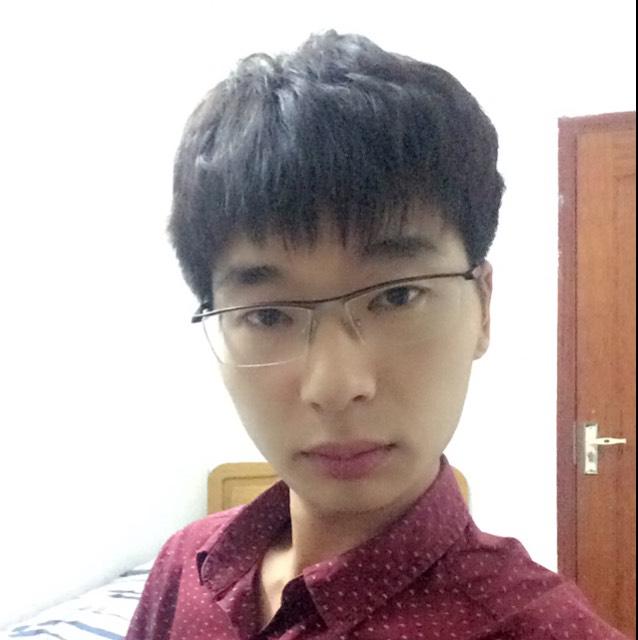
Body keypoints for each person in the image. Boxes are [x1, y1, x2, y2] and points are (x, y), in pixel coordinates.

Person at [126, 31, 626, 640]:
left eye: (396, 296)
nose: (336, 386)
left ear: (483, 308)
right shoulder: (185, 568)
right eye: (269, 315)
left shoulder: (541, 631)